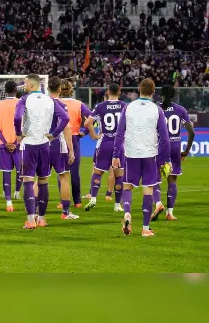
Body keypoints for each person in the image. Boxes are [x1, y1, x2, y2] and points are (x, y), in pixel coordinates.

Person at [112, 79, 170, 237]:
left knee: (127, 186)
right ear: (153, 91)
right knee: (148, 189)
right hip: (150, 154)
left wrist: (116, 155)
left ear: (139, 89)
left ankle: (127, 214)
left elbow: (119, 133)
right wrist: (167, 159)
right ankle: (145, 228)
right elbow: (164, 138)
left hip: (131, 153)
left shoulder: (128, 107)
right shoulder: (157, 109)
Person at [14, 74, 69, 229]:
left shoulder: (24, 100)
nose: (24, 85)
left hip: (29, 144)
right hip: (45, 144)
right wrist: (54, 134)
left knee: (28, 181)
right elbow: (65, 118)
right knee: (43, 181)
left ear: (31, 85)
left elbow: (17, 118)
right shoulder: (50, 100)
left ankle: (31, 220)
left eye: (25, 83)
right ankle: (42, 219)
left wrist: (18, 134)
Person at [151, 85, 195, 221]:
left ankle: (158, 204)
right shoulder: (181, 110)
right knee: (172, 180)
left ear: (161, 95)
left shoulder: (155, 109)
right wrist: (186, 151)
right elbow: (191, 132)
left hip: (159, 147)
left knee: (154, 179)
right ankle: (170, 213)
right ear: (174, 95)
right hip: (175, 147)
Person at [83, 83, 126, 212]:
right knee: (119, 176)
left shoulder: (100, 106)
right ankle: (117, 205)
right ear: (119, 92)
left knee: (97, 172)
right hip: (119, 144)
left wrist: (95, 135)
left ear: (107, 92)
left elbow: (87, 122)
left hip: (105, 143)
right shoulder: (125, 106)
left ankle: (93, 199)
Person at [46, 76, 79, 221]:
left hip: (41, 144)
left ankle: (34, 213)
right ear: (60, 89)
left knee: (40, 179)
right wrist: (71, 151)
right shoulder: (60, 105)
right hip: (57, 144)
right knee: (64, 177)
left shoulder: (41, 104)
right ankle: (65, 212)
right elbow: (66, 128)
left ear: (47, 88)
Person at [59, 80, 93, 208]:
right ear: (71, 90)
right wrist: (85, 132)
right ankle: (77, 201)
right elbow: (92, 118)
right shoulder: (79, 104)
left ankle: (63, 201)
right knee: (74, 172)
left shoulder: (55, 102)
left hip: (60, 137)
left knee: (62, 171)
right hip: (74, 137)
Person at [0, 80, 22, 212]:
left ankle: (9, 202)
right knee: (21, 171)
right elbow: (25, 125)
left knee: (6, 172)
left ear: (5, 91)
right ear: (16, 90)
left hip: (3, 145)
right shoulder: (22, 103)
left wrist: (5, 142)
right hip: (19, 144)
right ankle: (17, 192)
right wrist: (15, 142)